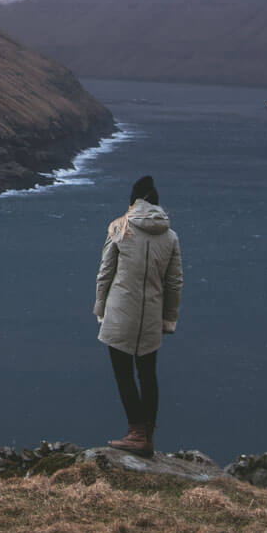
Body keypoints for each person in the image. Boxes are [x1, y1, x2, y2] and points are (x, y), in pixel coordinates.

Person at [93, 174, 183, 458]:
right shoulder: (170, 236)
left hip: (120, 312)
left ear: (133, 201)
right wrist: (169, 319)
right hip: (151, 316)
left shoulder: (120, 227)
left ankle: (136, 433)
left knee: (123, 374)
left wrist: (100, 309)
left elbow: (105, 272)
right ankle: (148, 436)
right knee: (148, 374)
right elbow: (174, 283)